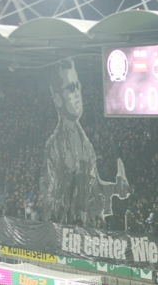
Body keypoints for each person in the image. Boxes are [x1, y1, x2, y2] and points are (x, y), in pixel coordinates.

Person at [39, 58, 131, 226]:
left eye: (78, 85)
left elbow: (93, 185)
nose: (77, 93)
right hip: (71, 224)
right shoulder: (54, 146)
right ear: (58, 99)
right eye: (70, 88)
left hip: (88, 222)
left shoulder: (85, 143)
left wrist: (116, 188)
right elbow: (49, 196)